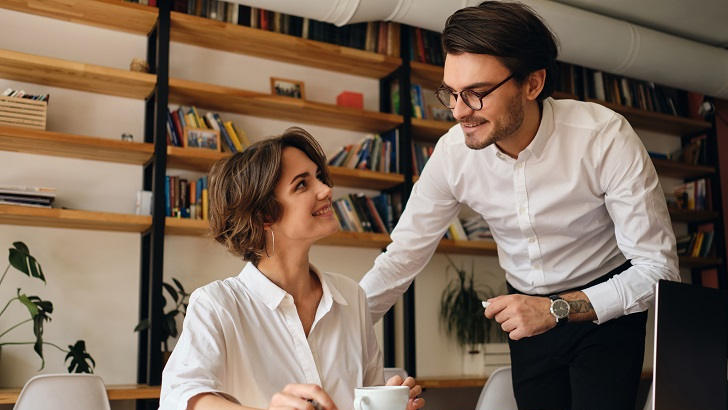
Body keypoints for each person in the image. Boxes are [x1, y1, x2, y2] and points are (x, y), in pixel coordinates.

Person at [359, 2, 679, 410]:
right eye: (452, 93)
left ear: (532, 84)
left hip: (606, 306)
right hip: (524, 314)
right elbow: (401, 258)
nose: (459, 112)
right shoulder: (452, 155)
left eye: (476, 94)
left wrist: (556, 309)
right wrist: (335, 329)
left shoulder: (603, 136)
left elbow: (658, 270)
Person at [160, 127, 425, 410]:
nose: (326, 190)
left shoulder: (352, 297)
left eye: (319, 178)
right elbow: (180, 398)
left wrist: (390, 401)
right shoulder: (217, 304)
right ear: (264, 215)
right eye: (302, 184)